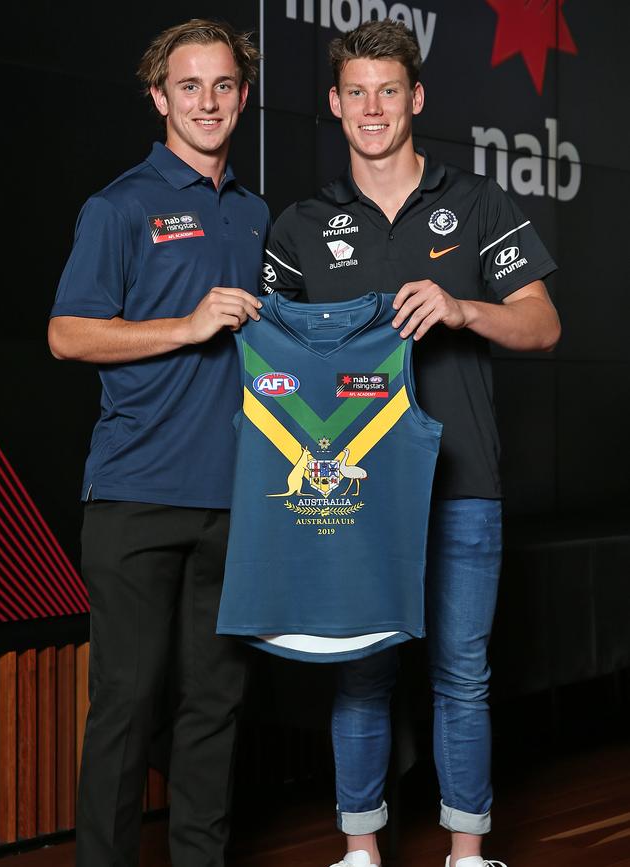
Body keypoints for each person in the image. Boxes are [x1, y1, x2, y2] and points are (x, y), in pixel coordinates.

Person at [263, 19, 560, 867]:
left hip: (464, 481)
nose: (372, 107)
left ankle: (467, 855)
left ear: (416, 99)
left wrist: (465, 308)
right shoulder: (300, 226)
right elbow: (269, 365)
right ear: (334, 103)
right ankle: (362, 853)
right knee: (360, 673)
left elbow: (543, 323)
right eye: (355, 91)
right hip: (350, 491)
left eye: (388, 90)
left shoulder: (476, 203)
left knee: (462, 674)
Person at [48, 19, 269, 867]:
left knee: (213, 706)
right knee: (126, 705)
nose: (207, 102)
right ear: (159, 97)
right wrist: (183, 326)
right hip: (136, 496)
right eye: (189, 86)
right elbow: (68, 335)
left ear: (242, 97)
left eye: (222, 86)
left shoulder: (254, 214)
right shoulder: (121, 205)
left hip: (235, 499)